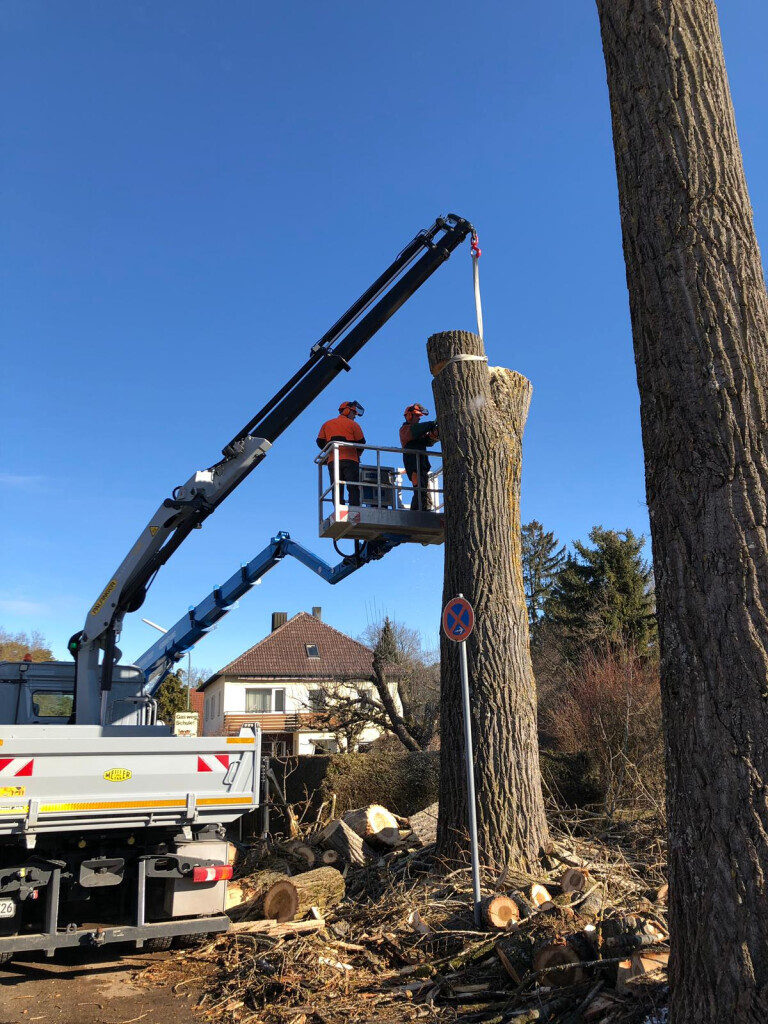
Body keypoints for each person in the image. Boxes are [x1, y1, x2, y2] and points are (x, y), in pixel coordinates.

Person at [316, 401, 366, 506]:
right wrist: (357, 455)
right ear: (347, 411)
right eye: (353, 413)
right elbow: (362, 443)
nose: (355, 416)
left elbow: (320, 441)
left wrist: (329, 451)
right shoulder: (353, 425)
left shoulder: (327, 424)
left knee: (336, 487)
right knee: (352, 486)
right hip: (351, 460)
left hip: (333, 461)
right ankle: (354, 508)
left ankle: (339, 508)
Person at [399, 403, 439, 510]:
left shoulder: (418, 431)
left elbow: (428, 441)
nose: (418, 419)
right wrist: (433, 423)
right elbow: (418, 429)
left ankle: (425, 508)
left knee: (424, 488)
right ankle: (419, 510)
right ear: (409, 416)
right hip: (413, 463)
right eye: (416, 416)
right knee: (419, 489)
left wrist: (435, 434)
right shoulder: (405, 430)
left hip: (422, 463)